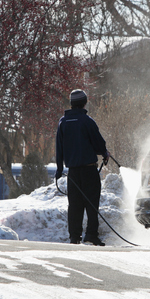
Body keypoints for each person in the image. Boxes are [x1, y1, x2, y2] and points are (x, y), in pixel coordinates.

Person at [55, 89, 109, 246]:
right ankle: (91, 234)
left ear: (71, 104)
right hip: (89, 170)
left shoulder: (63, 122)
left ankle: (74, 236)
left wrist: (59, 170)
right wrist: (104, 153)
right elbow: (99, 143)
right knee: (92, 204)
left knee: (75, 205)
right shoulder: (87, 121)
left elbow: (59, 148)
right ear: (84, 102)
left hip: (72, 173)